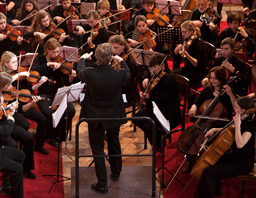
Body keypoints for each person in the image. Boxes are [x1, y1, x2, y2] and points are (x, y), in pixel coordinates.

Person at [77, 43, 130, 193]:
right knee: (114, 141)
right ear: (111, 57)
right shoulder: (119, 74)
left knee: (97, 147)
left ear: (97, 57)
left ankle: (102, 183)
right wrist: (121, 61)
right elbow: (128, 73)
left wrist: (82, 58)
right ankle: (116, 171)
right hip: (114, 114)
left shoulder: (90, 73)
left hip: (96, 116)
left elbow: (79, 70)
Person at [194, 96, 255, 198]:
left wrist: (237, 126)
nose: (234, 109)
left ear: (243, 110)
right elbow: (229, 129)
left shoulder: (250, 125)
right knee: (213, 160)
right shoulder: (242, 118)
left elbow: (240, 144)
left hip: (242, 164)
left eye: (236, 107)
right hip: (235, 157)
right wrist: (215, 129)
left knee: (208, 172)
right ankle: (215, 190)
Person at [31, 38, 76, 146]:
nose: (56, 54)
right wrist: (47, 64)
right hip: (44, 93)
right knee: (47, 112)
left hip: (58, 93)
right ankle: (49, 134)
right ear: (47, 50)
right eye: (53, 52)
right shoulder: (40, 59)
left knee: (71, 111)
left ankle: (58, 135)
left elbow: (66, 81)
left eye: (57, 51)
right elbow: (34, 70)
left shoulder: (62, 61)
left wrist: (71, 77)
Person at [133, 54, 180, 151]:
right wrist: (144, 90)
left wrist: (149, 97)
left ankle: (158, 144)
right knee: (135, 118)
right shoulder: (157, 75)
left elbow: (164, 99)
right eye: (152, 67)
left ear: (162, 66)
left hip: (168, 112)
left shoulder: (169, 79)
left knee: (148, 125)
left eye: (155, 67)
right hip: (156, 107)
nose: (153, 70)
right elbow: (149, 81)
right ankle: (158, 138)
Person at [173, 21, 206, 86]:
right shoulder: (186, 40)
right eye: (181, 31)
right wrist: (177, 50)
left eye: (184, 32)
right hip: (188, 68)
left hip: (197, 72)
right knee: (170, 76)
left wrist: (187, 55)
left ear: (192, 31)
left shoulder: (198, 43)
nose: (182, 34)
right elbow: (176, 54)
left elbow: (196, 63)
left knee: (179, 81)